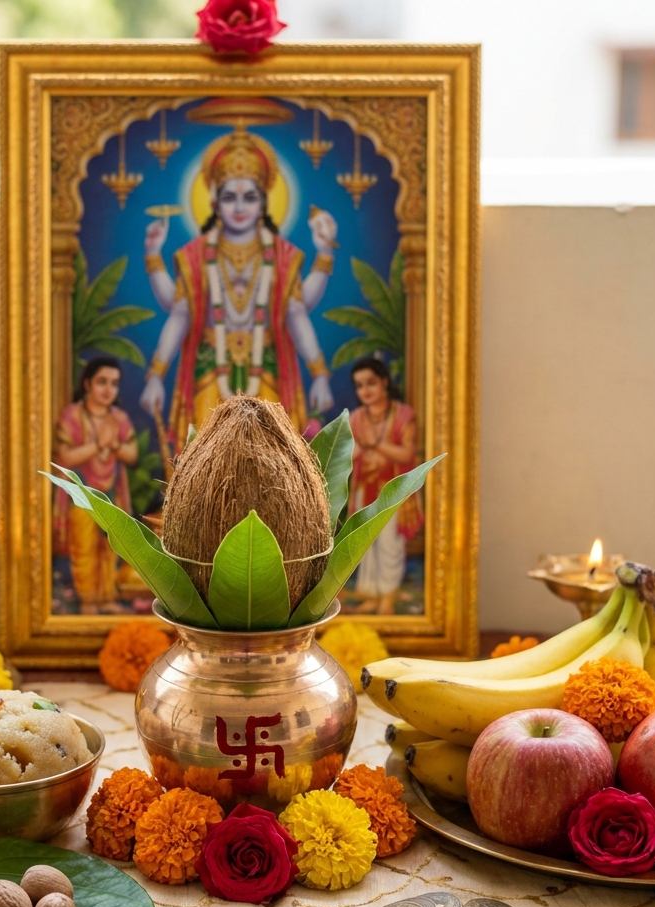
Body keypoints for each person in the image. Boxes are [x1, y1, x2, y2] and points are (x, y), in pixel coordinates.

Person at [139, 126, 337, 444]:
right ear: (216, 204)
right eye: (230, 197)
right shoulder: (196, 256)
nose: (240, 207)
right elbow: (178, 313)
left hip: (267, 378)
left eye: (250, 197)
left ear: (263, 204)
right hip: (209, 378)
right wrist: (155, 376)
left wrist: (320, 374)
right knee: (204, 465)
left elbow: (298, 312)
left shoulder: (282, 256)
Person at [52, 357, 138, 614]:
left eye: (114, 383)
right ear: (87, 383)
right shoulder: (73, 415)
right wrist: (99, 445)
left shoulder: (119, 418)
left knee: (109, 547)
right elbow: (64, 457)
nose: (108, 389)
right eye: (102, 382)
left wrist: (114, 445)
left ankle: (106, 598)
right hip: (81, 493)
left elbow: (132, 454)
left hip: (111, 491)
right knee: (85, 548)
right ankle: (88, 602)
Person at [347, 356, 423, 616]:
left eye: (370, 383)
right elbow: (349, 454)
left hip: (391, 492)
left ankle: (388, 596)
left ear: (384, 382)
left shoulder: (403, 415)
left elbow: (407, 454)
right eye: (359, 386)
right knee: (368, 544)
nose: (365, 390)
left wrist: (375, 445)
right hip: (364, 490)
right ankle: (372, 596)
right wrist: (359, 449)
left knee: (390, 543)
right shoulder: (356, 418)